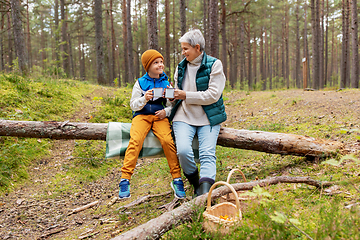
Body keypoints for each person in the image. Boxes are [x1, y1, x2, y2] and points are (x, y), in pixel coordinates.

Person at [118, 49, 186, 200]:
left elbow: (170, 105)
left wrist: (166, 110)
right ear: (147, 66)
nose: (160, 65)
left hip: (159, 117)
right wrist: (144, 98)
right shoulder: (140, 83)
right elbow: (133, 105)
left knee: (168, 141)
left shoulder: (166, 82)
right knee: (135, 141)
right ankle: (125, 179)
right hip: (141, 116)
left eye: (161, 62)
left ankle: (177, 179)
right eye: (156, 63)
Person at [169, 29, 227, 197]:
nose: (183, 52)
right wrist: (172, 98)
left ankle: (204, 193)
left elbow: (213, 95)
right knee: (183, 151)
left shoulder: (215, 64)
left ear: (197, 47)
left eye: (185, 48)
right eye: (182, 49)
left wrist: (185, 95)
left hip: (208, 117)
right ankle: (196, 183)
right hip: (183, 116)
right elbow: (177, 94)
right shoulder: (181, 67)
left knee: (207, 153)